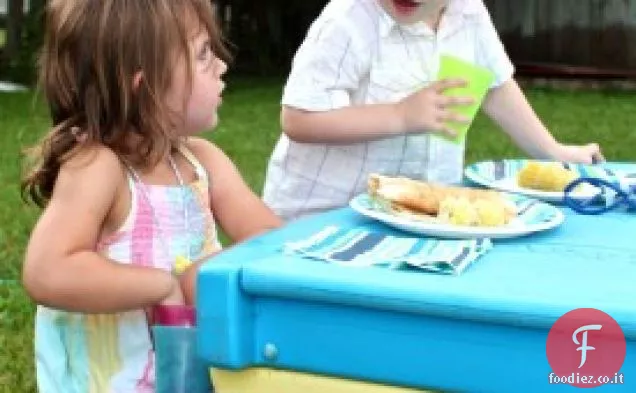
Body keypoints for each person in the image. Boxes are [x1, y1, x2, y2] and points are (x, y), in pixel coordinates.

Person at [20, 0, 282, 391]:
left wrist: (199, 279)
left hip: (187, 375)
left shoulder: (202, 162)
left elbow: (276, 243)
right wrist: (162, 285)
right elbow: (47, 271)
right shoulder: (99, 167)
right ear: (143, 86)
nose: (222, 66)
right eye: (203, 54)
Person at [262, 0, 605, 221]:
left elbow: (494, 87)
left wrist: (552, 151)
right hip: (327, 219)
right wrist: (400, 115)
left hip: (418, 213)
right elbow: (299, 119)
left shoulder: (468, 14)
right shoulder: (347, 20)